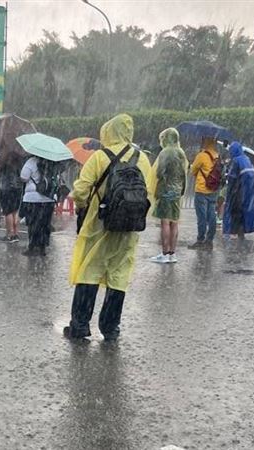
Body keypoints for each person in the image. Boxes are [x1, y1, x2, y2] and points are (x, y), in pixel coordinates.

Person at [63, 114, 154, 341]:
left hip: (99, 223)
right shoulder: (143, 159)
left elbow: (81, 191)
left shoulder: (99, 157)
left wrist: (83, 208)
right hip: (129, 227)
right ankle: (110, 328)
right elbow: (149, 193)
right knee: (119, 275)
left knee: (89, 271)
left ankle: (80, 326)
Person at [149, 128, 188, 263]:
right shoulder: (181, 152)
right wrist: (182, 189)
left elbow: (160, 172)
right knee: (174, 222)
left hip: (165, 190)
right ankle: (172, 253)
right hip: (177, 191)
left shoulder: (165, 152)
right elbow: (184, 174)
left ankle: (164, 253)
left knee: (165, 221)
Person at [20, 156, 58, 256]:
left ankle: (32, 247)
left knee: (32, 224)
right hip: (48, 198)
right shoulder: (52, 162)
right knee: (45, 224)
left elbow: (24, 177)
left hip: (32, 198)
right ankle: (42, 248)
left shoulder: (31, 161)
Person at [222, 142, 254, 244]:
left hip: (238, 192)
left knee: (235, 212)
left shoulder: (236, 161)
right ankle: (241, 234)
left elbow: (232, 177)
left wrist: (226, 177)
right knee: (243, 213)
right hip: (249, 192)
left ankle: (234, 233)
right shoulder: (247, 159)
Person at [188, 137, 220, 250]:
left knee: (201, 217)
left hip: (202, 190)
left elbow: (193, 171)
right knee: (212, 216)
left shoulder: (202, 155)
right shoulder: (217, 155)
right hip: (213, 190)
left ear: (205, 142)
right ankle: (209, 241)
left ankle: (200, 240)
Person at [0, 158, 23, 243]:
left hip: (7, 187)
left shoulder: (5, 156)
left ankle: (10, 234)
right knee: (15, 211)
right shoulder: (20, 157)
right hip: (18, 187)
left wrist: (0, 158)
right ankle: (15, 233)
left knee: (8, 212)